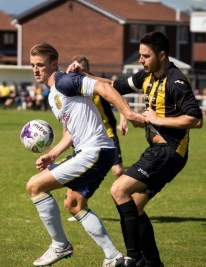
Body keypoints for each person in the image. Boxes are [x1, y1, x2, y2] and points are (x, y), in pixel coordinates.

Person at [67, 32, 203, 266]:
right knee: (135, 207)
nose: (140, 60)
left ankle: (132, 257)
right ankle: (152, 262)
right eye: (140, 55)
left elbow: (195, 119)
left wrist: (157, 120)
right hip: (157, 153)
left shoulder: (176, 81)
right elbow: (113, 85)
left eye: (145, 56)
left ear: (161, 55)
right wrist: (84, 75)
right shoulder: (146, 76)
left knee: (119, 190)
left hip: (169, 152)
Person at [27, 43, 146, 267]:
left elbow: (104, 88)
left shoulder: (64, 81)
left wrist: (127, 113)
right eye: (32, 65)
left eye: (40, 65)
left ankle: (60, 245)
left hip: (95, 150)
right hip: (98, 151)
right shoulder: (53, 94)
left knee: (34, 186)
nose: (35, 70)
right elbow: (70, 133)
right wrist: (53, 154)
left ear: (53, 64)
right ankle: (113, 257)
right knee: (74, 203)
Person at [67, 55, 127, 223]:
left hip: (108, 133)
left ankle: (126, 203)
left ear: (87, 69)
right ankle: (80, 206)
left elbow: (118, 96)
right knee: (83, 173)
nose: (78, 72)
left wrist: (123, 120)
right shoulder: (74, 87)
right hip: (86, 137)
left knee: (118, 171)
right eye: (76, 68)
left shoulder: (97, 85)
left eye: (82, 69)